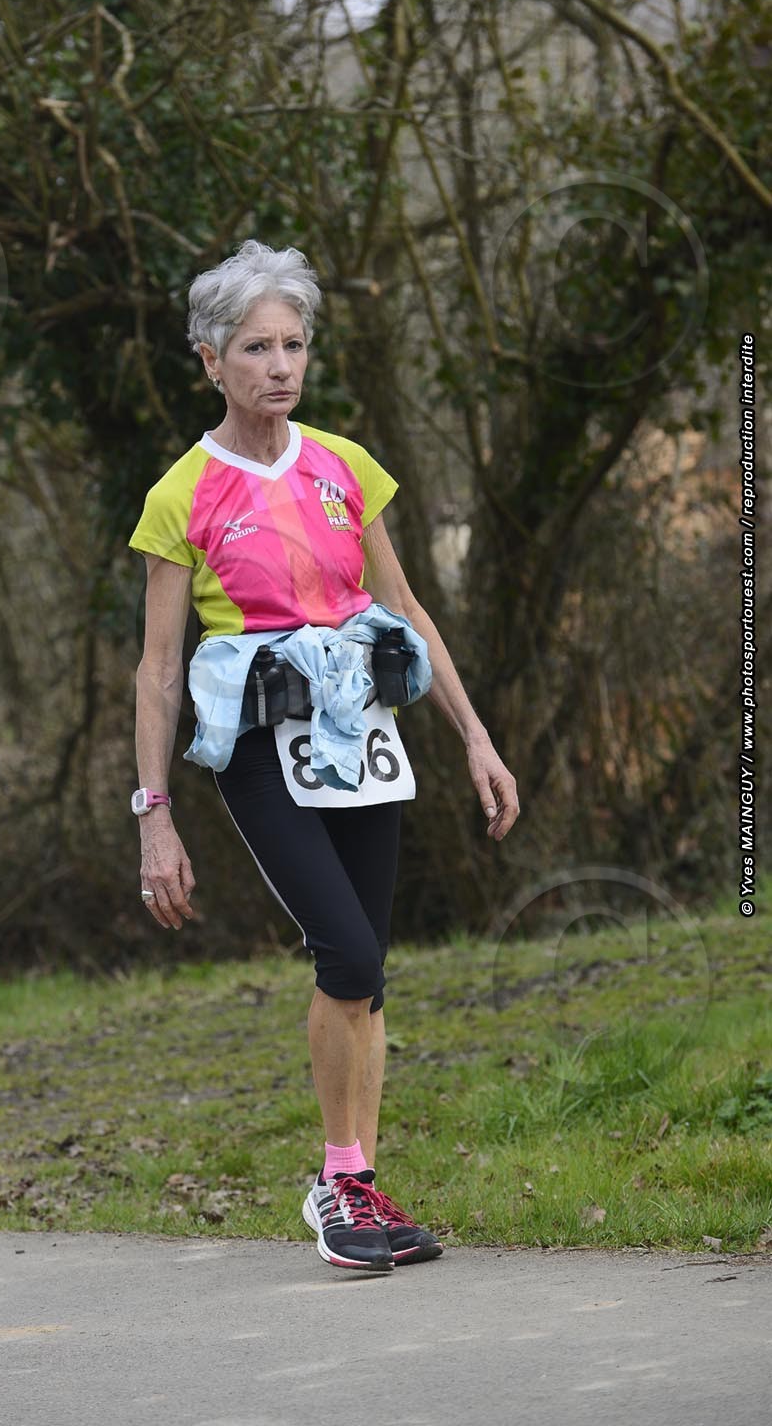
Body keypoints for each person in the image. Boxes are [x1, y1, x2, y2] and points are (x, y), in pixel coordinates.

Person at [129, 239, 519, 1274]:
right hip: (261, 747)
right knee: (344, 952)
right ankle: (334, 1184)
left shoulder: (346, 465)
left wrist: (475, 738)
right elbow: (158, 671)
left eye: (293, 344)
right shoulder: (180, 494)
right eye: (256, 347)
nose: (280, 365)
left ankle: (359, 1181)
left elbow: (407, 607)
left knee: (368, 973)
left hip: (364, 732)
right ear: (210, 361)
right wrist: (154, 814)